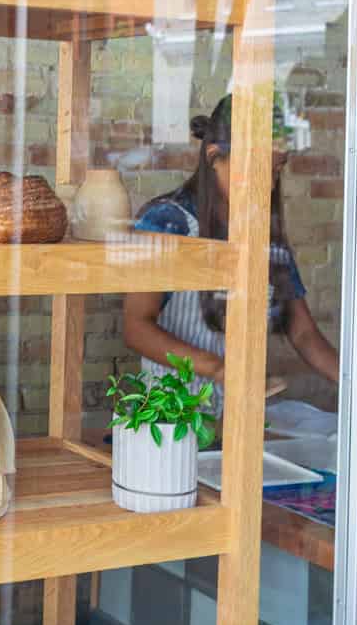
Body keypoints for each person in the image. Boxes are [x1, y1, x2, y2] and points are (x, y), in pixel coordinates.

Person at [124, 94, 340, 407]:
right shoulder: (168, 221)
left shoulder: (265, 236)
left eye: (276, 170)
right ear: (214, 157)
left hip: (238, 421)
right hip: (172, 419)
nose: (267, 185)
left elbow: (304, 334)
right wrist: (219, 369)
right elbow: (136, 328)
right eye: (256, 170)